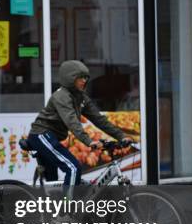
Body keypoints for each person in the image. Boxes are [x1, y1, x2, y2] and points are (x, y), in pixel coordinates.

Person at [27, 60, 132, 197]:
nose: (84, 80)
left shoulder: (81, 97)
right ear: (70, 78)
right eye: (80, 77)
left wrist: (121, 136)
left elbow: (99, 120)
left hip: (51, 138)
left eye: (86, 77)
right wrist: (89, 141)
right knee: (73, 168)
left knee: (54, 181)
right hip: (41, 135)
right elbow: (72, 122)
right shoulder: (61, 96)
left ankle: (55, 213)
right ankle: (66, 213)